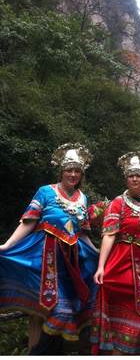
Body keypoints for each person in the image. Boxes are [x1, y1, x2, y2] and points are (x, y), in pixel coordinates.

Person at [0, 143, 99, 355]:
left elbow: (82, 233)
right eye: (68, 170)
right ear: (61, 171)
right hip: (44, 257)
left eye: (76, 171)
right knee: (42, 311)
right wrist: (7, 245)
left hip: (72, 263)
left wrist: (99, 254)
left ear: (81, 173)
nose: (72, 174)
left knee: (65, 311)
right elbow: (28, 222)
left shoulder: (83, 198)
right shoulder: (45, 192)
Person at [91, 151, 140, 355]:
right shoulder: (117, 203)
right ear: (126, 178)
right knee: (124, 316)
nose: (135, 179)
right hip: (123, 264)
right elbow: (109, 235)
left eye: (138, 175)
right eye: (131, 175)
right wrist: (101, 266)